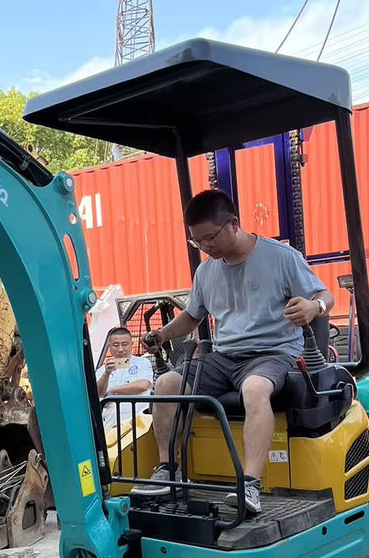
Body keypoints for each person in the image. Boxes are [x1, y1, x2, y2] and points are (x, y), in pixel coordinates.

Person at [133, 190, 333, 515]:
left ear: (234, 224)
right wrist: (163, 334)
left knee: (254, 389)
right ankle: (169, 469)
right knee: (167, 383)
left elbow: (325, 296)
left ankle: (249, 485)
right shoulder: (206, 271)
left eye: (210, 238)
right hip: (223, 357)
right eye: (197, 241)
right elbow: (192, 316)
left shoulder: (281, 258)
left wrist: (314, 307)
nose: (205, 247)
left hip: (272, 353)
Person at [96, 326, 154, 430]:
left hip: (138, 425)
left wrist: (114, 391)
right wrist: (106, 373)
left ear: (132, 344)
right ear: (109, 346)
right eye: (116, 345)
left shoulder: (142, 362)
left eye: (124, 344)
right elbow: (98, 393)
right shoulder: (102, 370)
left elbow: (143, 385)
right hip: (111, 426)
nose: (120, 349)